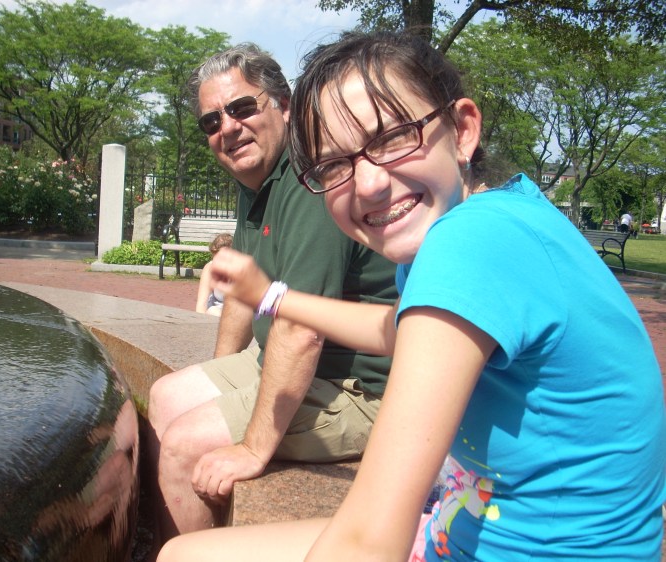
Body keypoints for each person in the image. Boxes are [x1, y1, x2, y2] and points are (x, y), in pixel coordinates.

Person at [158, 31, 665, 561]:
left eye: (392, 137)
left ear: (463, 129)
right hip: (474, 525)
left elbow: (368, 543)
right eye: (334, 165)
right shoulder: (496, 216)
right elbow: (398, 329)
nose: (369, 183)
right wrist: (272, 297)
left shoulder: (467, 244)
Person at [144, 42, 398, 548]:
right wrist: (224, 377)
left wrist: (254, 449)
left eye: (241, 108)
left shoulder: (309, 179)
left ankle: (186, 553)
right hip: (295, 363)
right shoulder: (255, 176)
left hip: (358, 389)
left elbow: (300, 329)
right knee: (164, 396)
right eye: (211, 122)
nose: (228, 128)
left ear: (282, 105)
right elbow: (242, 290)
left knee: (183, 447)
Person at [195, 233, 234, 316]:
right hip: (216, 311)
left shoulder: (240, 270)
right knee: (212, 311)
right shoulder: (210, 268)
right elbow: (201, 305)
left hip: (235, 313)